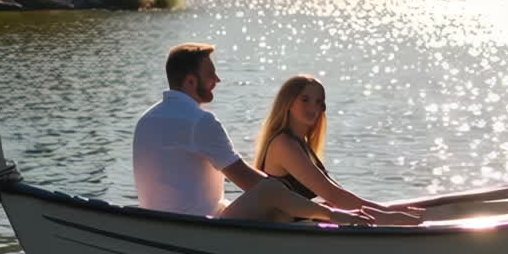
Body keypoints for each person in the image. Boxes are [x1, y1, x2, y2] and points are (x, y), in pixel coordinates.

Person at [133, 43, 371, 225]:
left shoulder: (146, 120)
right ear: (191, 81)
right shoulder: (199, 122)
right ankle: (334, 217)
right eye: (211, 75)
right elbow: (249, 181)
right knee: (272, 189)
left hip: (160, 225)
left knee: (280, 197)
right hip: (200, 230)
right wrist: (309, 202)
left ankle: (322, 214)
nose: (217, 79)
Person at [256, 75, 424, 226]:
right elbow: (333, 195)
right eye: (305, 99)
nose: (313, 107)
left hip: (296, 229)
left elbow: (337, 194)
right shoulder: (284, 144)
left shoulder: (302, 144)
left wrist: (387, 210)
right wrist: (388, 216)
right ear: (288, 102)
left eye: (319, 102)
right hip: (280, 235)